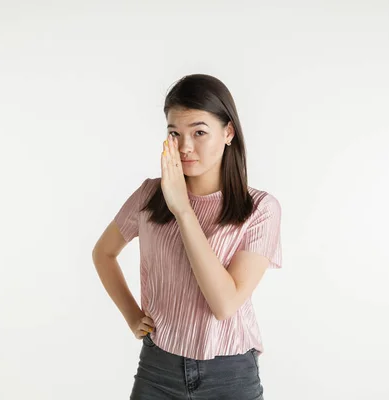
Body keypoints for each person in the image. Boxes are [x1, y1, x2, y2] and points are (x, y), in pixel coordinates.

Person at [92, 74, 282, 399]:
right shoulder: (150, 195)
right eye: (174, 133)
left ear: (228, 132)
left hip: (230, 375)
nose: (185, 147)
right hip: (158, 368)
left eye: (199, 132)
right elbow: (103, 253)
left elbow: (224, 304)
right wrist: (131, 314)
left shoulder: (260, 210)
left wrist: (182, 209)